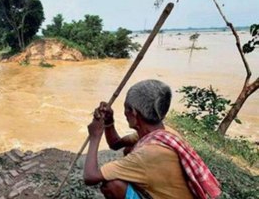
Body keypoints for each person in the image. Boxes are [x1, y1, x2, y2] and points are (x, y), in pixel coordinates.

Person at [83, 79, 221, 199]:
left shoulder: (148, 154)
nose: (125, 113)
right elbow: (115, 144)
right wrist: (109, 122)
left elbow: (90, 176)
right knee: (129, 149)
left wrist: (95, 136)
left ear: (133, 112)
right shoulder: (162, 134)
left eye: (126, 108)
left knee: (111, 185)